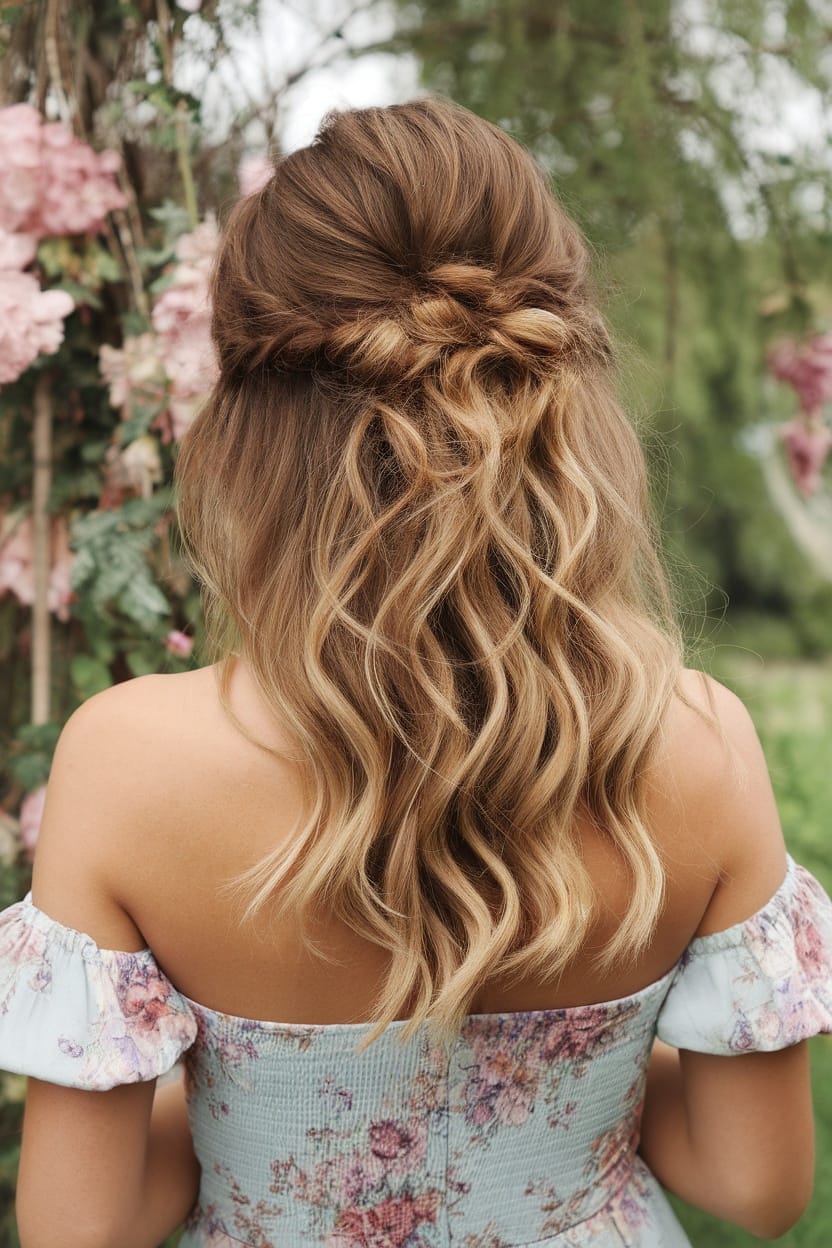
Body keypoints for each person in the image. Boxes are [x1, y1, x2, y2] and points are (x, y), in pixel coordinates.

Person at [2, 97, 831, 1248]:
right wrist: (566, 1102)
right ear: (556, 392)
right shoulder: (694, 738)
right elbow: (753, 1183)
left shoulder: (129, 760)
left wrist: (243, 1110)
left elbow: (80, 1229)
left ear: (243, 428)